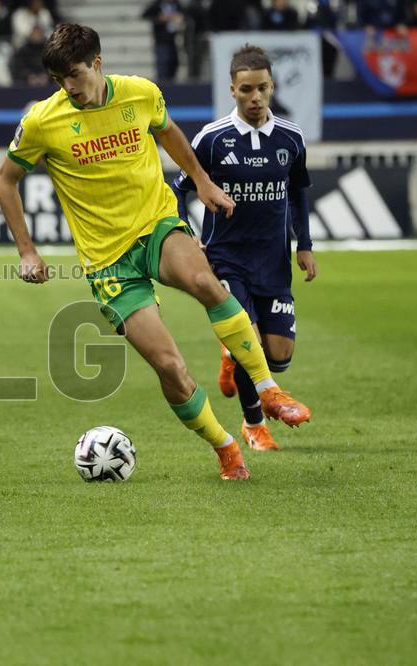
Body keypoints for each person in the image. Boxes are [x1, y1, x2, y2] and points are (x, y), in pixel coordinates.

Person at [0, 23, 312, 481]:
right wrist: (27, 251)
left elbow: (169, 133)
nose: (69, 87)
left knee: (206, 281)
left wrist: (202, 181)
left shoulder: (140, 93)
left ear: (97, 64)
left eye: (76, 74)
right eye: (59, 79)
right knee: (170, 367)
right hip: (108, 261)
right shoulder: (43, 121)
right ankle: (225, 447)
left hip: (156, 225)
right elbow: (5, 180)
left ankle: (268, 389)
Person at [172, 45, 317, 453]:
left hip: (273, 261)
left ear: (272, 87)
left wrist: (304, 245)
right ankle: (254, 425)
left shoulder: (291, 138)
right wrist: (187, 234)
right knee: (246, 342)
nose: (256, 98)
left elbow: (299, 194)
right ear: (232, 90)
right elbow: (178, 190)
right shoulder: (212, 139)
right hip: (226, 259)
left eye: (263, 89)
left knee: (279, 355)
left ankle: (230, 353)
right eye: (247, 90)